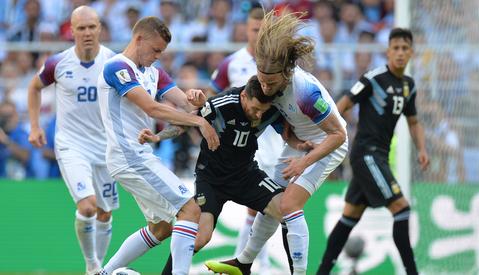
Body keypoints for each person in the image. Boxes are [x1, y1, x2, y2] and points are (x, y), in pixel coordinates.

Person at [207, 11, 348, 275]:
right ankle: (244, 262)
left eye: (270, 82)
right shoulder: (266, 84)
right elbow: (281, 119)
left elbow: (338, 135)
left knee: (289, 205)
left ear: (286, 72)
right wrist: (292, 138)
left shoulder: (305, 91)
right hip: (301, 144)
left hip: (327, 145)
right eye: (261, 79)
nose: (265, 87)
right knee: (269, 200)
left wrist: (303, 162)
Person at [142, 76, 311, 275]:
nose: (258, 115)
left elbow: (287, 135)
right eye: (254, 109)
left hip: (246, 174)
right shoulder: (222, 103)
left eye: (262, 111)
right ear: (244, 96)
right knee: (200, 237)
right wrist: (157, 137)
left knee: (287, 211)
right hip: (211, 178)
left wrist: (302, 146)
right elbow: (187, 123)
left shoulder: (271, 109)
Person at [95, 16, 219, 275]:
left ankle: (104, 273)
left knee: (162, 227)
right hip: (128, 156)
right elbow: (151, 107)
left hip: (139, 155)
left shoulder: (154, 72)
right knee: (190, 208)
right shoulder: (117, 67)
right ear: (139, 39)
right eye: (155, 50)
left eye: (162, 52)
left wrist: (197, 99)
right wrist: (197, 121)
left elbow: (185, 104)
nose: (158, 56)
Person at [316, 28, 430, 275]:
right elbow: (345, 102)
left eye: (405, 49)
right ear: (388, 52)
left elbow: (413, 121)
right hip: (366, 153)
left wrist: (422, 148)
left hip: (377, 156)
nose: (400, 53)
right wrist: (328, 132)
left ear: (411, 53)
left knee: (349, 216)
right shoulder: (374, 78)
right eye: (396, 48)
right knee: (402, 208)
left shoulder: (408, 86)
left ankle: (322, 272)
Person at [27, 6, 117, 274]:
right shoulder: (58, 63)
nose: (87, 33)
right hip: (71, 145)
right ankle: (91, 265)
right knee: (87, 206)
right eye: (81, 28)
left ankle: (97, 269)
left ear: (100, 28)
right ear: (72, 31)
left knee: (104, 213)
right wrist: (34, 126)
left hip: (106, 147)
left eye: (92, 27)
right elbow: (34, 87)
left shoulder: (114, 62)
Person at [208, 6, 282, 272]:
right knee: (258, 208)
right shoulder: (232, 63)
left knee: (269, 210)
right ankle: (252, 264)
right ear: (245, 31)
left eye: (262, 30)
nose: (258, 35)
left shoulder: (277, 66)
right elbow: (213, 98)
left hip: (275, 147)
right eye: (253, 30)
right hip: (245, 148)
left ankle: (244, 262)